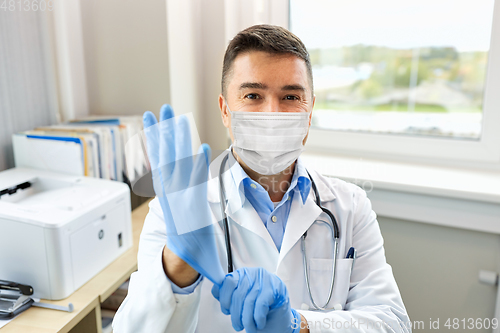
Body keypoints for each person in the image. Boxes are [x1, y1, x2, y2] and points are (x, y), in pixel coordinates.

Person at [113, 24, 411, 333]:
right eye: (253, 95)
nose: (273, 114)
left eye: (291, 97)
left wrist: (300, 325)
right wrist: (176, 268)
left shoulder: (350, 206)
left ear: (309, 113)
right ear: (225, 110)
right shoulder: (174, 210)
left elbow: (391, 323)